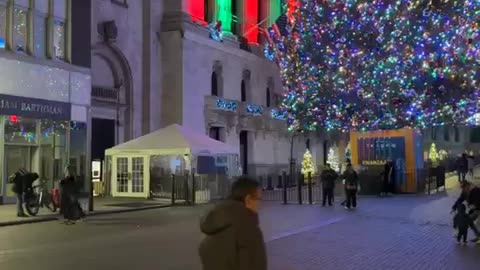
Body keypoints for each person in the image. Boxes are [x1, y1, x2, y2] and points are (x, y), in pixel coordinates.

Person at [199, 177, 267, 270]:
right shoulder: (249, 230)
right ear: (248, 199)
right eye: (259, 199)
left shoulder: (213, 225)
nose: (260, 204)